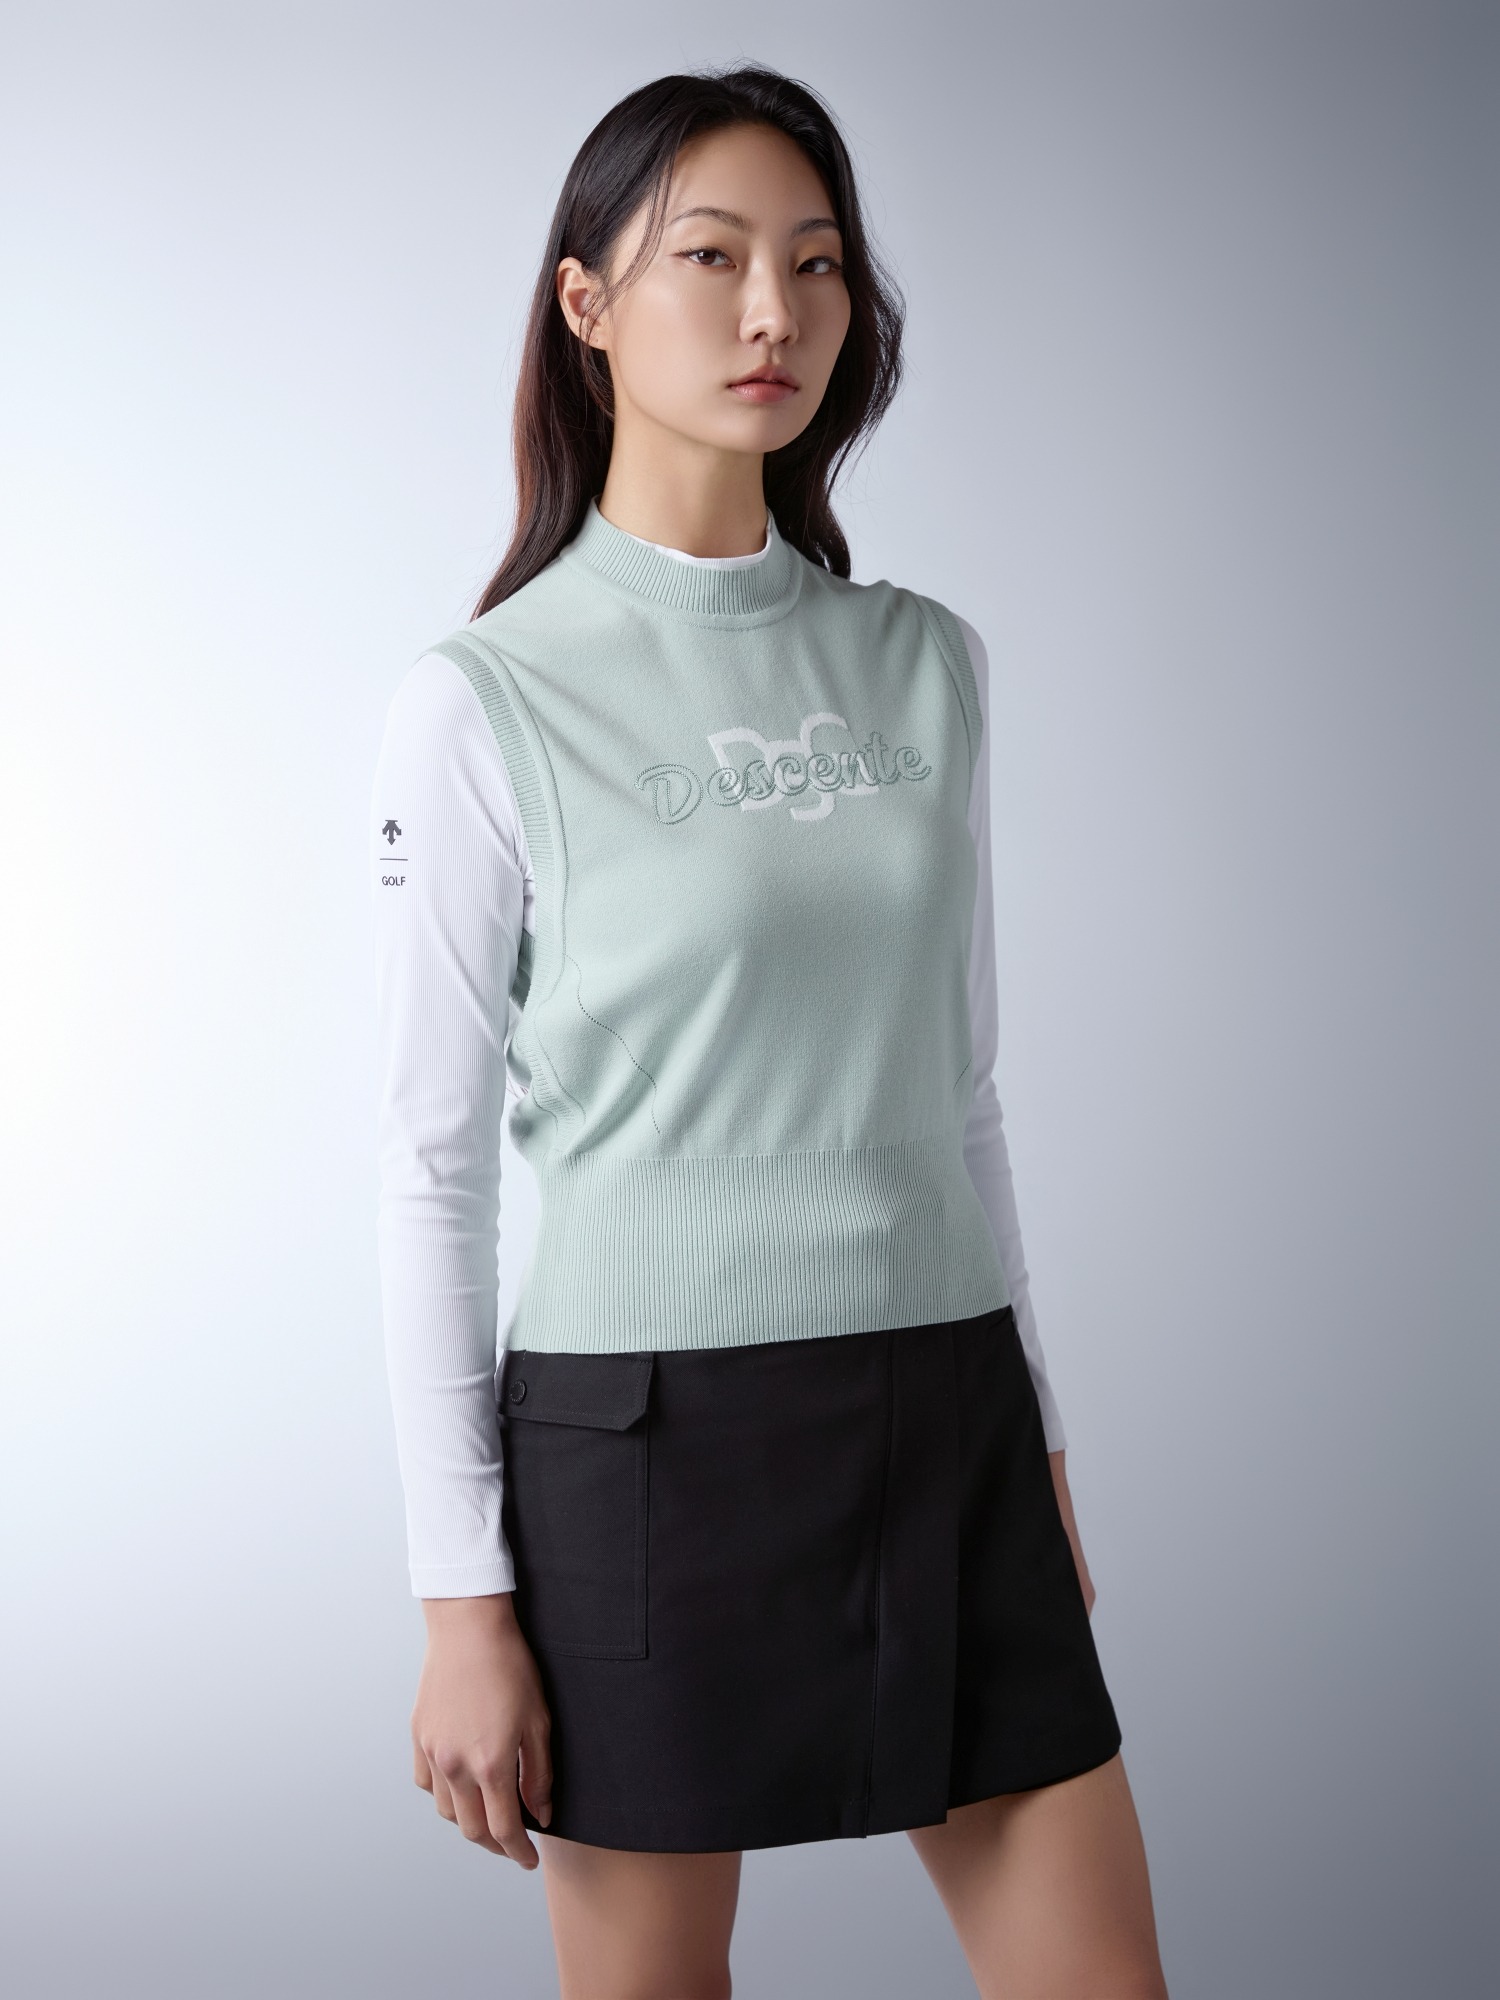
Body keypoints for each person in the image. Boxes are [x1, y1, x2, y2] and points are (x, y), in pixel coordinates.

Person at [370, 62, 1170, 2000]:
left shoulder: (926, 665)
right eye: (711, 257)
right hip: (646, 1452)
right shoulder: (485, 701)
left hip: (946, 1418)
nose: (773, 313)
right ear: (586, 305)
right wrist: (462, 1602)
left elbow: (961, 1096)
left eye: (816, 266)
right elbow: (432, 1171)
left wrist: (1041, 1442)